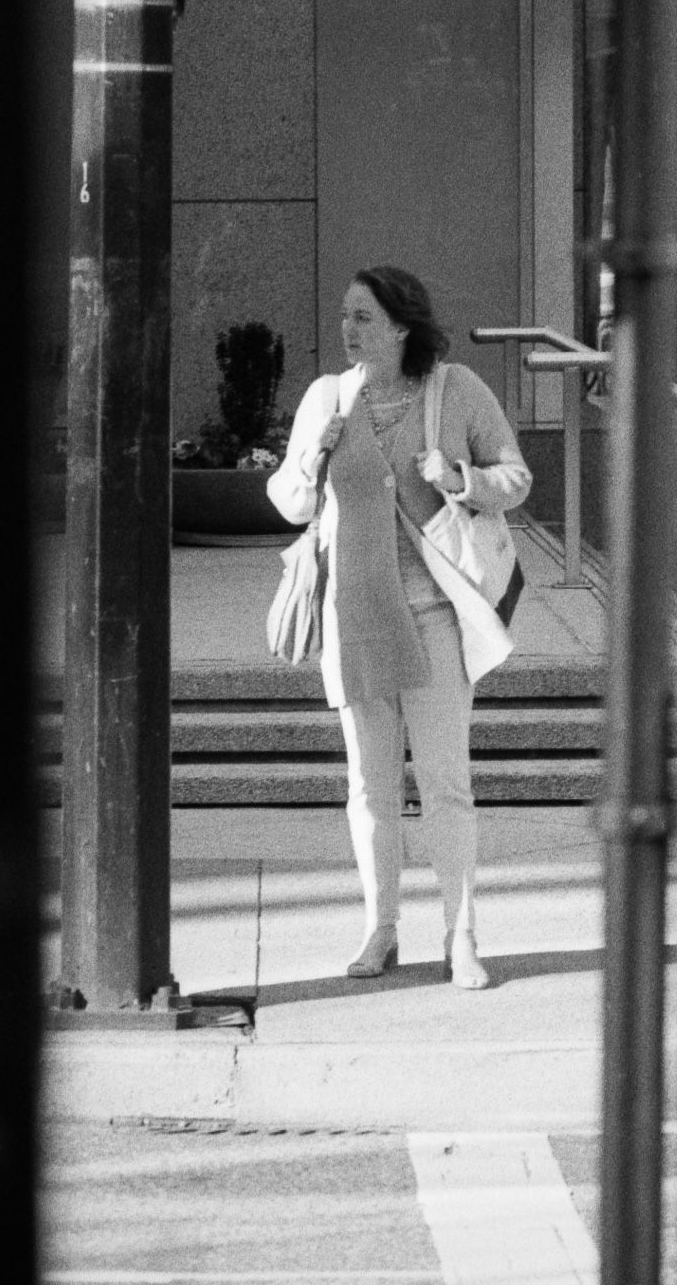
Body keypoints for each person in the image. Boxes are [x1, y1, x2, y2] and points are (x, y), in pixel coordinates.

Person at [267, 266, 531, 990]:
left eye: (363, 318)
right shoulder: (328, 398)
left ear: (401, 327)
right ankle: (380, 928)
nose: (347, 330)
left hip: (437, 616)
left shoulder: (457, 390)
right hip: (356, 617)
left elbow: (516, 476)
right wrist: (315, 458)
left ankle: (462, 933)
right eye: (346, 316)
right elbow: (289, 501)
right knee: (369, 788)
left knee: (446, 783)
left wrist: (459, 479)